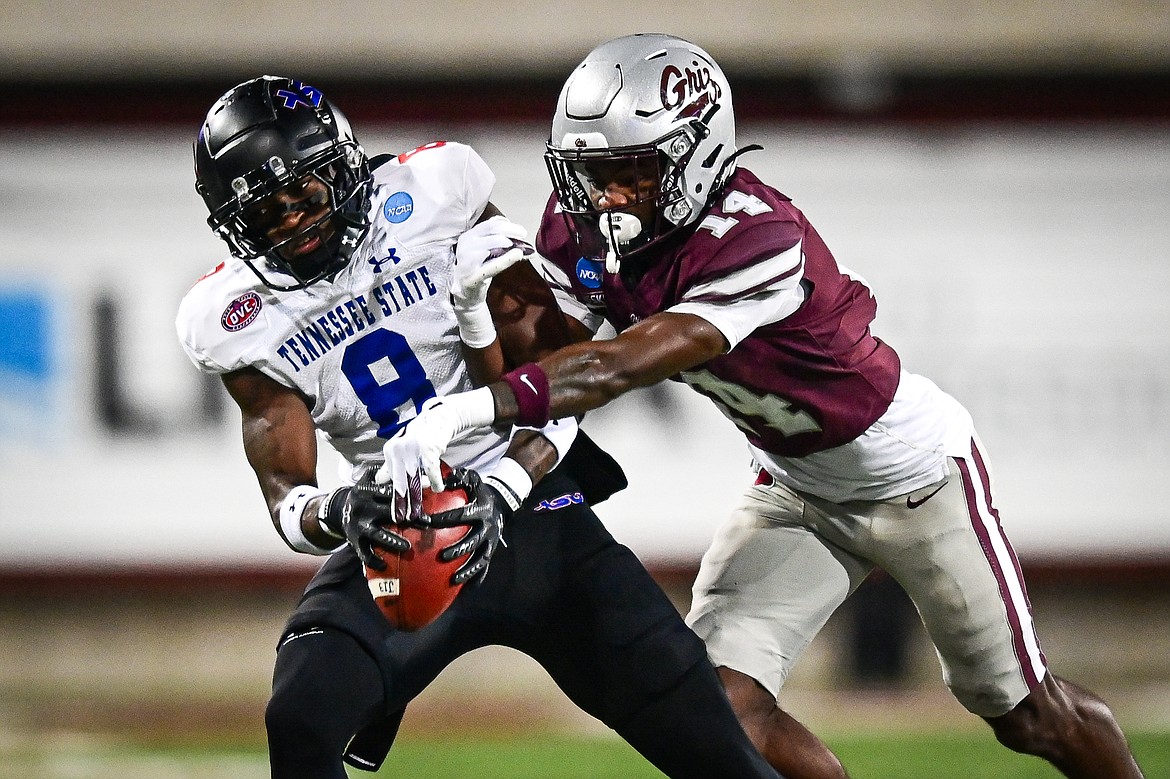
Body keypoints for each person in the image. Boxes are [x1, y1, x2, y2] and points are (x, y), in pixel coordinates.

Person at [380, 34, 1146, 779]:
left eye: (632, 172)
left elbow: (621, 365)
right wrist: (483, 310)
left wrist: (464, 411)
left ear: (698, 152)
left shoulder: (758, 236)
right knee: (716, 706)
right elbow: (545, 366)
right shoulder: (588, 223)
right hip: (793, 487)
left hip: (914, 479)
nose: (607, 195)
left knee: (1025, 714)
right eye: (593, 171)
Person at [175, 75, 783, 779]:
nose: (293, 222)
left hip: (537, 509)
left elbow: (554, 378)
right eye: (266, 213)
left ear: (343, 165)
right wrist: (343, 509)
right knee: (301, 713)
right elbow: (285, 492)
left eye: (303, 193)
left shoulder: (434, 194)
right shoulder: (232, 318)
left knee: (716, 748)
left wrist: (499, 485)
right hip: (404, 532)